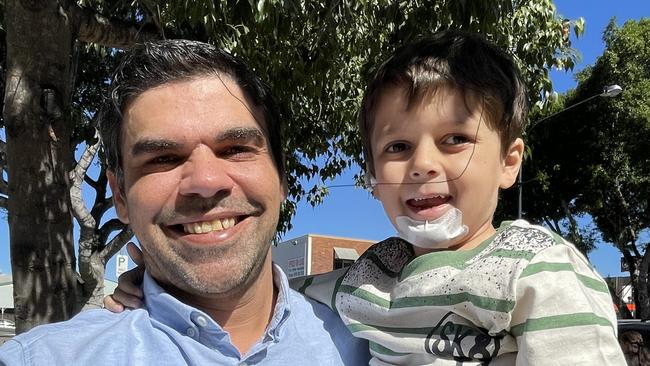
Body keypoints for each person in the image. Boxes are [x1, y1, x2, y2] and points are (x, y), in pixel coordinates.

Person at [105, 31, 627, 365]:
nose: (423, 164)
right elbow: (269, 295)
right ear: (374, 177)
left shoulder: (539, 269)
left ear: (509, 161)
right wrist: (152, 285)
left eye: (455, 140)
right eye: (398, 147)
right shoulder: (371, 278)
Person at [0, 40, 369, 365]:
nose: (206, 183)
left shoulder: (381, 341)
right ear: (121, 196)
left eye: (236, 149)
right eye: (163, 158)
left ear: (282, 175)